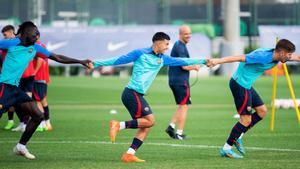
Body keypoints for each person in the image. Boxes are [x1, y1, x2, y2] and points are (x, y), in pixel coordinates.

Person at [91, 32, 207, 163]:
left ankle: (129, 154)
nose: (168, 47)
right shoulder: (140, 53)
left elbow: (184, 61)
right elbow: (117, 60)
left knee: (145, 126)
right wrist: (95, 63)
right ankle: (118, 125)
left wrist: (204, 61)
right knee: (150, 121)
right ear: (158, 42)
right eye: (166, 44)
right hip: (131, 93)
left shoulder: (163, 58)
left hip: (136, 94)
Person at [0, 21, 92, 160]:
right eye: (34, 33)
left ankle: (21, 146)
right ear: (25, 34)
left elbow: (58, 57)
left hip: (16, 90)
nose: (37, 35)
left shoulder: (36, 48)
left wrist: (80, 61)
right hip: (3, 87)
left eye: (38, 33)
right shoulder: (11, 43)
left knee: (38, 115)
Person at [207, 39, 298, 158]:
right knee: (246, 120)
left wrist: (294, 57)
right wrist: (217, 61)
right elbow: (239, 57)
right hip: (240, 85)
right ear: (281, 53)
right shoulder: (262, 56)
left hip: (247, 85)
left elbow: (297, 57)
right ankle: (226, 149)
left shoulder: (279, 56)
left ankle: (238, 136)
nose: (290, 57)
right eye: (289, 55)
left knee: (262, 111)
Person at [166, 25, 200, 140]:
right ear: (180, 34)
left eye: (189, 33)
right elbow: (184, 66)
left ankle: (171, 127)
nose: (188, 35)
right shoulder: (180, 46)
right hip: (181, 81)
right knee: (185, 106)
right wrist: (195, 67)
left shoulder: (179, 45)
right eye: (186, 33)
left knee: (182, 105)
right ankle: (179, 134)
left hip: (175, 80)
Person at [33, 36, 52, 131]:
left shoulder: (37, 46)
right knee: (43, 100)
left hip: (38, 78)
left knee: (38, 101)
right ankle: (47, 122)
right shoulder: (42, 46)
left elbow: (40, 60)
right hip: (43, 78)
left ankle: (41, 124)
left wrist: (34, 73)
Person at [1, 25, 16, 130]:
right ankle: (11, 121)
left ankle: (42, 121)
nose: (4, 37)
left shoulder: (16, 43)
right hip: (5, 77)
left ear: (11, 32)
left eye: (5, 35)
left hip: (15, 77)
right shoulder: (5, 43)